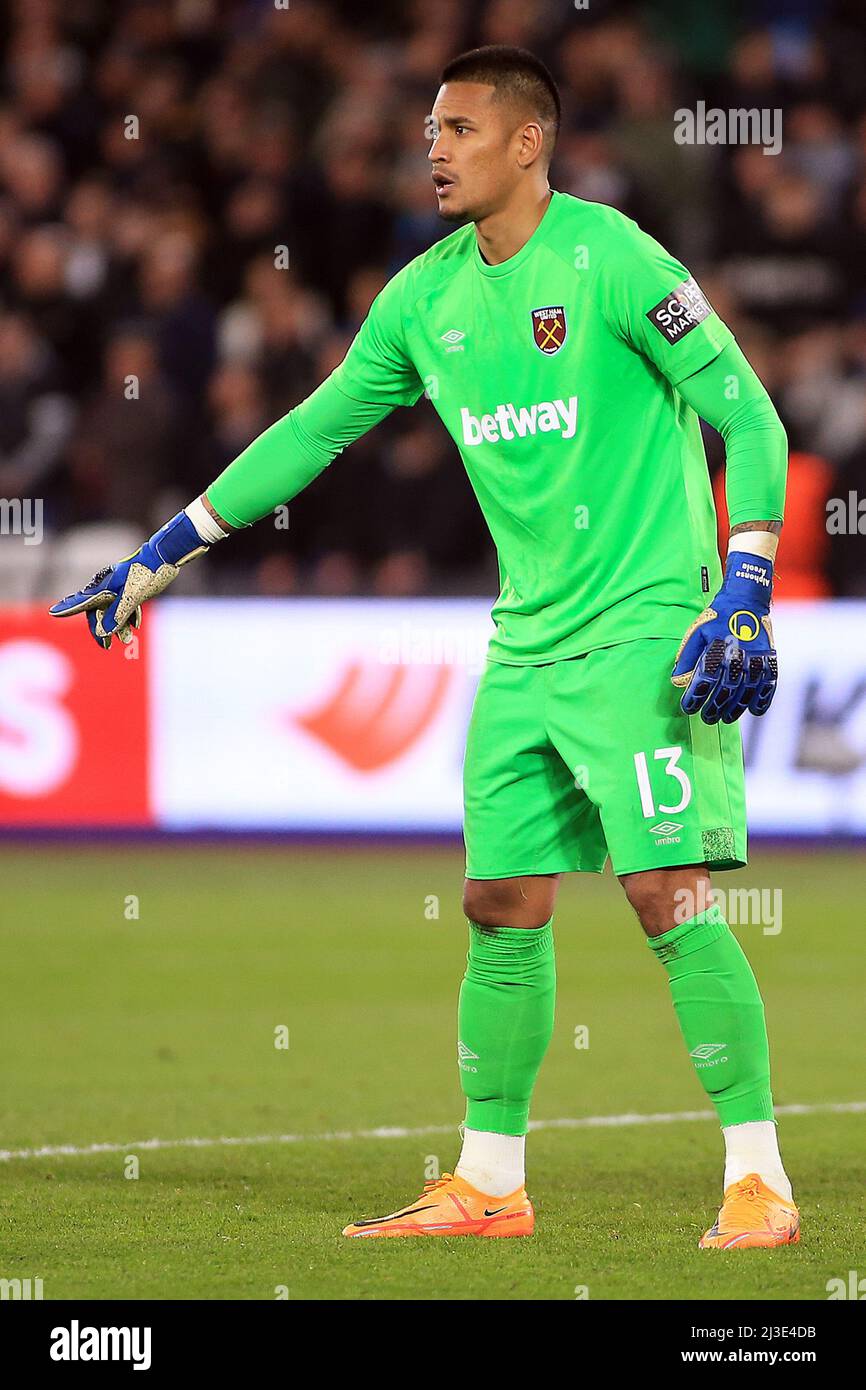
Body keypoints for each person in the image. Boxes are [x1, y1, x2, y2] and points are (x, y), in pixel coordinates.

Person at [51, 46, 795, 1249]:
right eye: (428, 128)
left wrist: (747, 579)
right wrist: (166, 548)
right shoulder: (423, 296)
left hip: (650, 629)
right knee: (499, 902)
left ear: (526, 142)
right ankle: (489, 1181)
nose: (432, 147)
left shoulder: (613, 259)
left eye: (457, 127)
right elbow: (313, 428)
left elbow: (746, 413)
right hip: (525, 642)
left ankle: (757, 1180)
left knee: (666, 891)